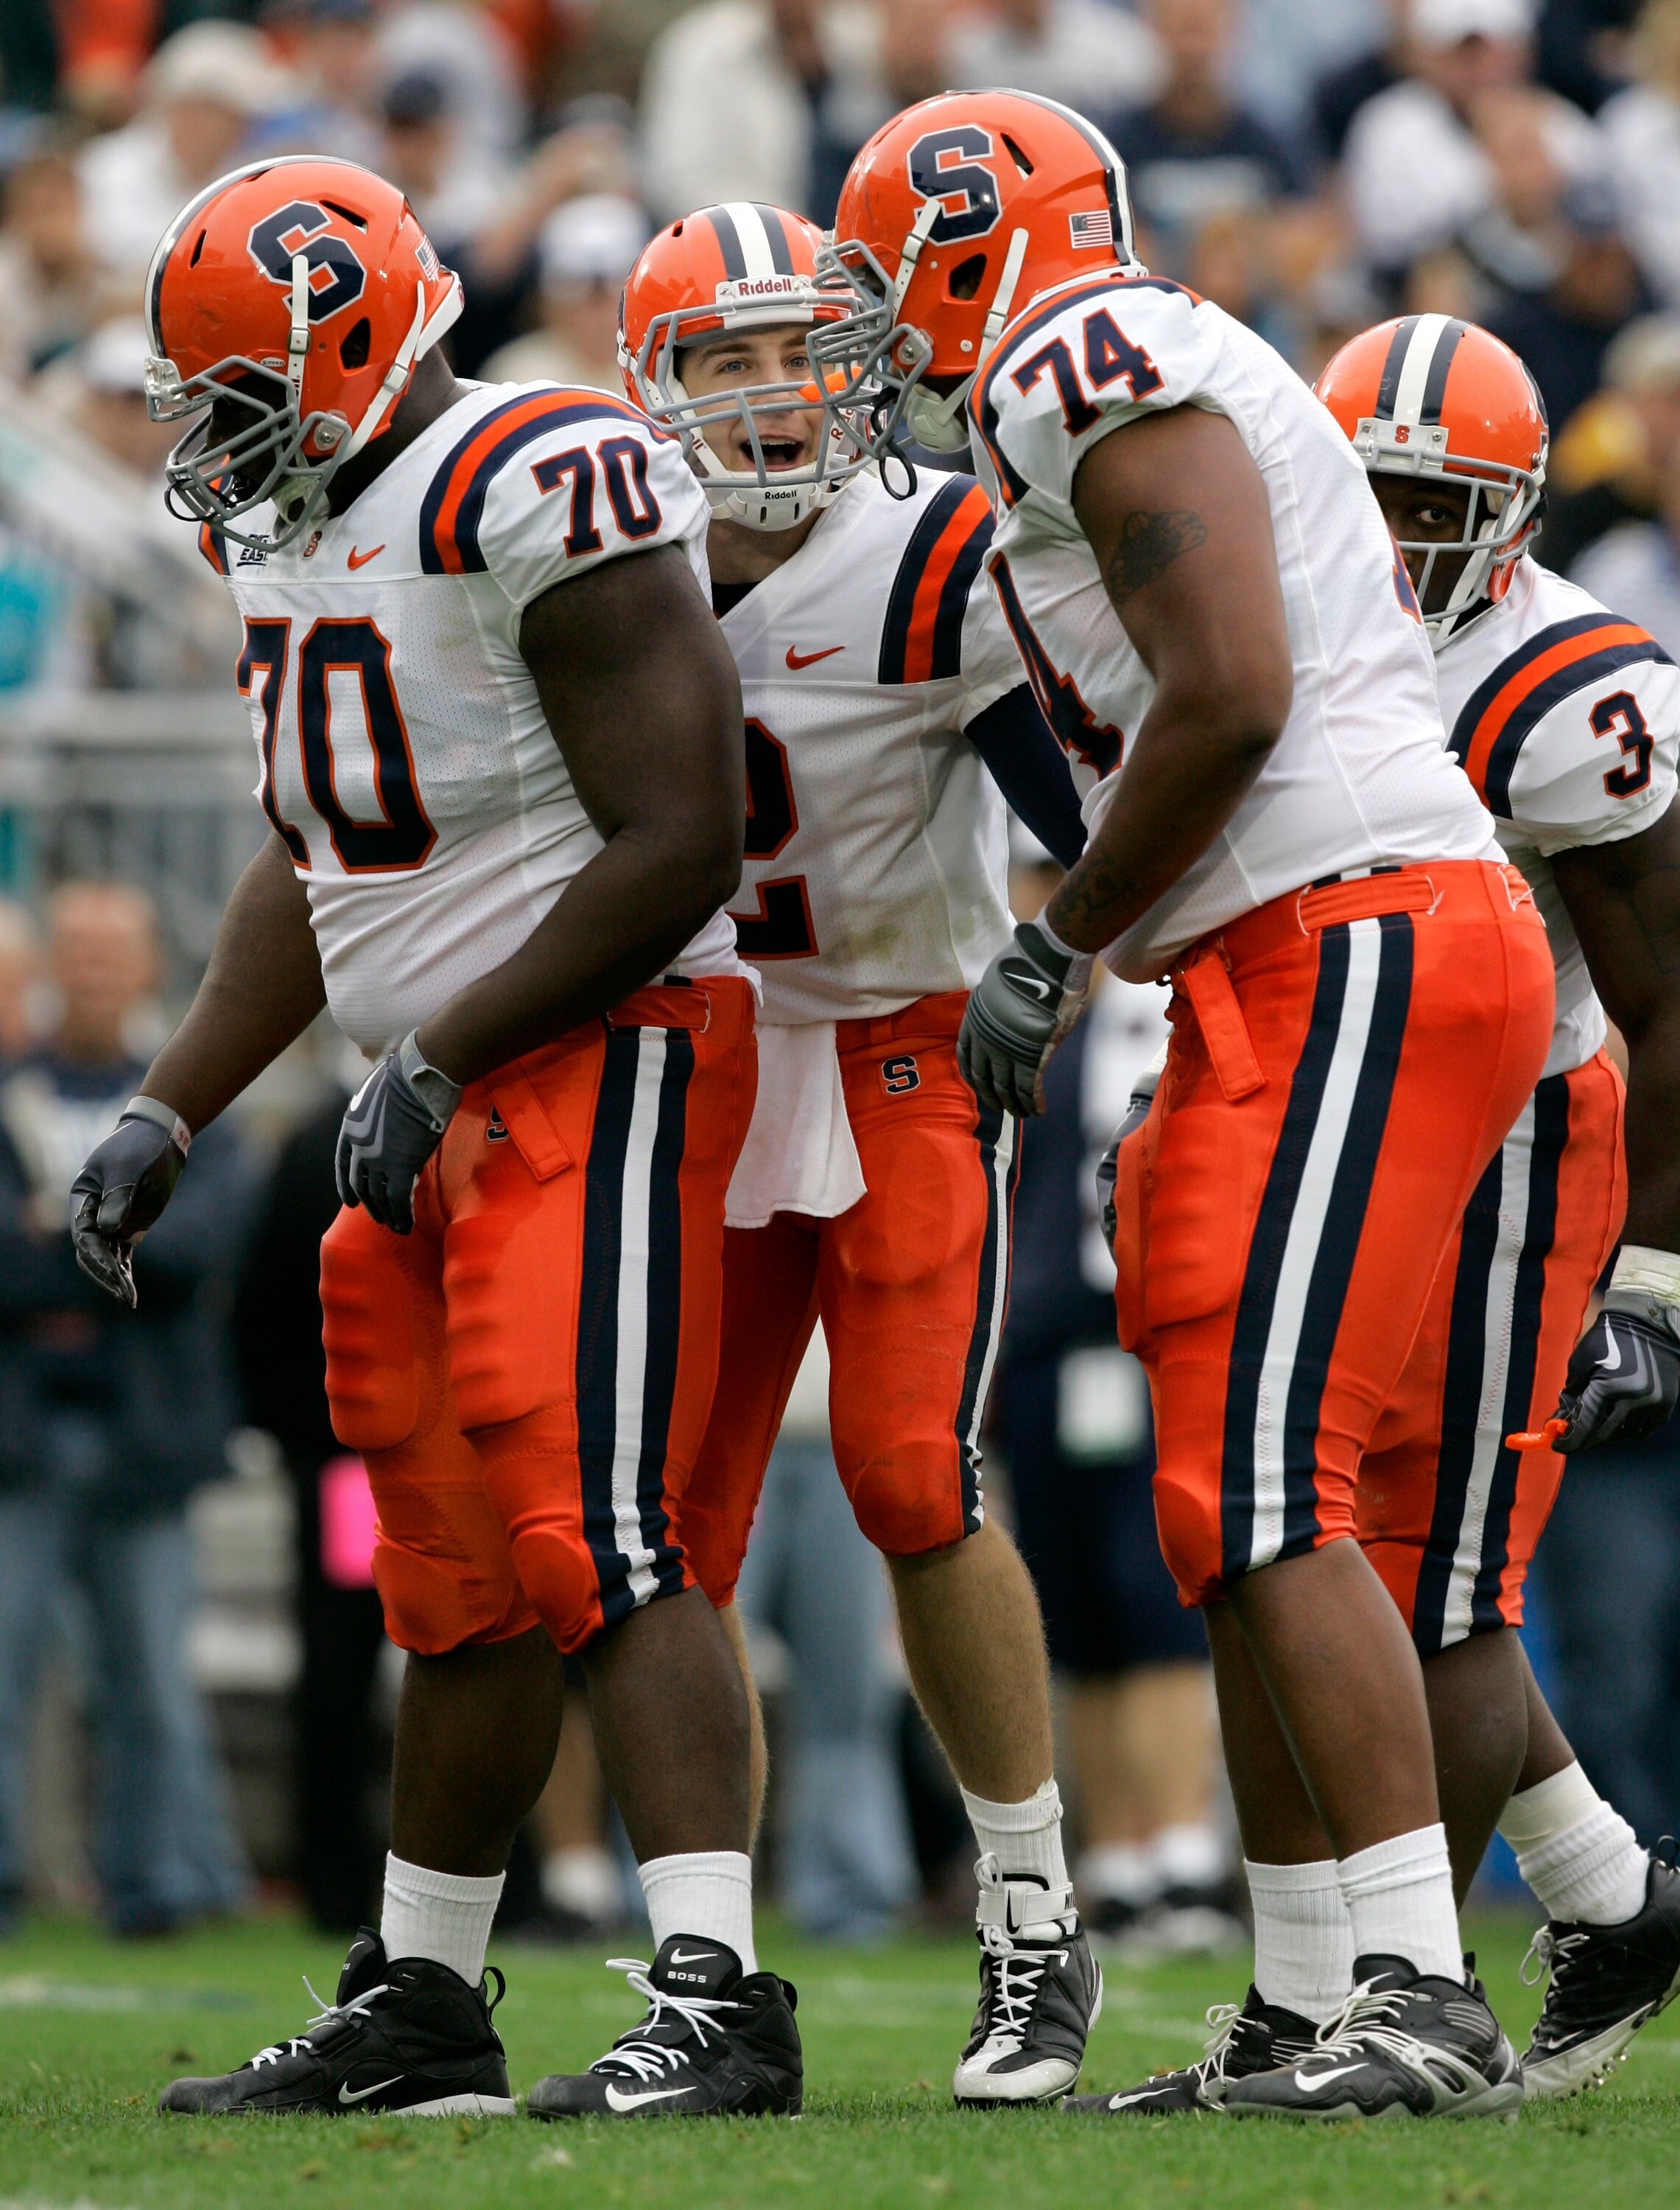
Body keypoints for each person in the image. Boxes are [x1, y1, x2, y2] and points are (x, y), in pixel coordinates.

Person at [828, 90, 1553, 2121]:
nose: (891, 336)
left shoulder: (1083, 355)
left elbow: (1228, 687)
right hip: (1294, 949)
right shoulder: (1087, 380)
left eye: (899, 285)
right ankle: (1312, 1994)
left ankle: (1420, 1983)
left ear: (976, 246)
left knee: (1260, 1490)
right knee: (1218, 1502)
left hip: (1351, 927)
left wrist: (1055, 946)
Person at [70, 156, 796, 2123]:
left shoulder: (528, 476)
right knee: (446, 1572)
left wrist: (456, 1051)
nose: (212, 440)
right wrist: (170, 1100)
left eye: (240, 389)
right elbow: (322, 865)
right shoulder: (294, 522)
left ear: (361, 334)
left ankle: (721, 1995)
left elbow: (680, 837)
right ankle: (427, 1999)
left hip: (604, 1051)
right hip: (442, 1088)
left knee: (601, 1526)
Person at [618, 201, 1100, 2103]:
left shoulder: (935, 559)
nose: (763, 392)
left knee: (913, 1473)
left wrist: (1068, 981)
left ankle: (1033, 1914)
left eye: (788, 344)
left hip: (906, 1039)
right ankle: (710, 1975)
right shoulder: (605, 556)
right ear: (650, 384)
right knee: (666, 1523)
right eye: (717, 356)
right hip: (705, 1057)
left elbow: (1091, 802)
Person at [1318, 313, 1680, 2094]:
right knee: (1318, 1543)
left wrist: (1658, 1279)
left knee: (1434, 1581)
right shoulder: (1286, 619)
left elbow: (1673, 995)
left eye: (1430, 501)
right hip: (1343, 1113)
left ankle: (1388, 1997)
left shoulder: (1566, 684)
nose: (1392, 536)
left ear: (1518, 508)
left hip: (1516, 1133)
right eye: (1366, 491)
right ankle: (1607, 1894)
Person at [0, 882, 250, 1937]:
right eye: (80, 954)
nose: (96, 972)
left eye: (114, 954)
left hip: (144, 1434)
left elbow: (200, 1251)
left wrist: (48, 1242)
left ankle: (156, 1883)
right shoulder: (12, 1089)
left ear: (148, 967)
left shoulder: (193, 1095)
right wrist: (107, 1249)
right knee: (8, 1670)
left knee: (148, 1679)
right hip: (21, 1432)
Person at [992, 855, 1231, 1953]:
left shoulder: (1149, 986)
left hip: (1130, 1328)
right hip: (1041, 1336)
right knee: (1073, 1615)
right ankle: (1117, 1857)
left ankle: (1181, 1854)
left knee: (1151, 1598)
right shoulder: (1025, 1000)